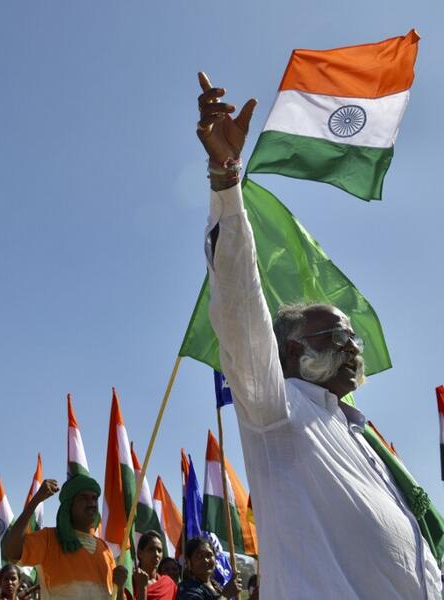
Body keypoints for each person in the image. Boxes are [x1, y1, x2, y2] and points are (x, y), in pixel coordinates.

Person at [196, 70, 443, 598]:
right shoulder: (277, 410)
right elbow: (240, 311)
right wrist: (226, 177)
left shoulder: (362, 436)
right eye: (335, 337)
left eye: (351, 336)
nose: (354, 347)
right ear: (288, 351)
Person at [2, 473, 128, 600]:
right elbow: (12, 551)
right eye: (84, 498)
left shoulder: (104, 549)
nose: (91, 503)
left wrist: (121, 586)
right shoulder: (49, 539)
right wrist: (36, 501)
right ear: (69, 505)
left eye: (94, 498)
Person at [176, 538, 241, 600]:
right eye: (199, 556)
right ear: (188, 562)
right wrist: (226, 595)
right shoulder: (186, 589)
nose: (205, 560)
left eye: (209, 555)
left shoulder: (216, 586)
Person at [130, 531, 177, 600]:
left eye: (159, 550)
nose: (156, 554)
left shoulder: (168, 584)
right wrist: (141, 588)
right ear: (140, 553)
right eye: (151, 549)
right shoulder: (131, 584)